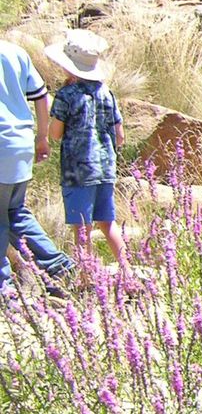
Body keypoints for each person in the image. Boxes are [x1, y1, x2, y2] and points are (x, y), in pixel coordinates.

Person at [45, 30, 127, 278]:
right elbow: (120, 135)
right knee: (107, 222)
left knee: (82, 228)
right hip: (105, 167)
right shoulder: (107, 93)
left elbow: (55, 134)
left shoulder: (66, 95)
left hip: (78, 170)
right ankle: (127, 270)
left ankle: (86, 277)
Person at [0, 37, 76, 296]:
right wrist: (41, 137)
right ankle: (59, 265)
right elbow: (41, 96)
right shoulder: (15, 52)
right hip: (19, 143)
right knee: (14, 212)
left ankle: (4, 288)